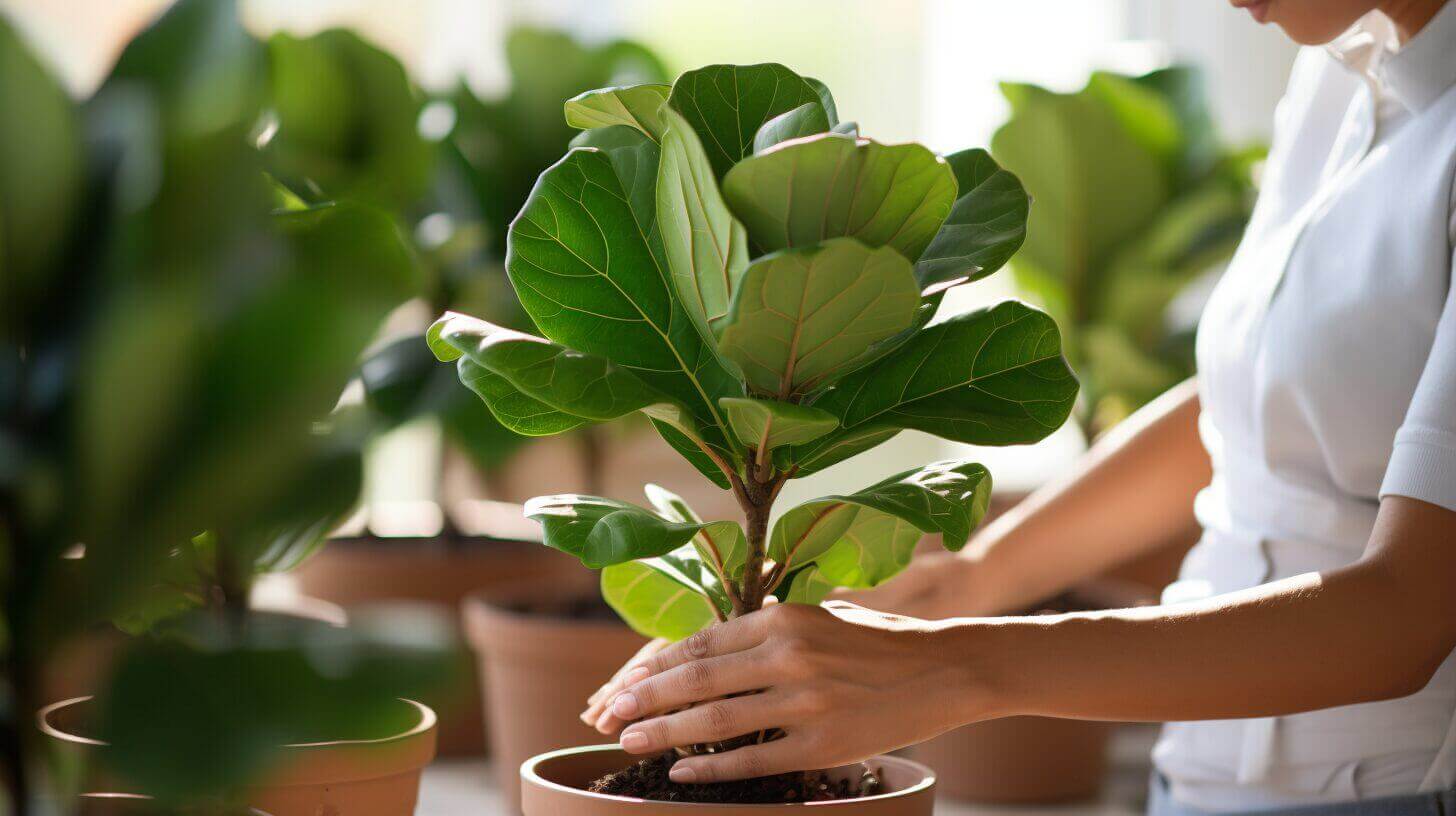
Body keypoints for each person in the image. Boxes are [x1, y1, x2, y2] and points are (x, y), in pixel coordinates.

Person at [580, 1, 1456, 812]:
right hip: (1189, 775)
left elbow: (1409, 614)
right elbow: (1250, 407)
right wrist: (964, 584)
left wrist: (947, 667)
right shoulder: (1341, 66)